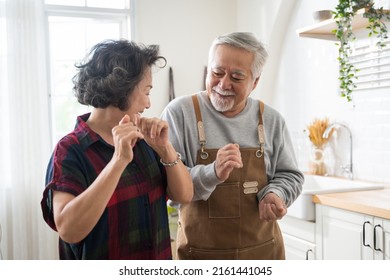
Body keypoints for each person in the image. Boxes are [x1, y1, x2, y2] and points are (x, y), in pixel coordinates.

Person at [41, 39, 193, 260]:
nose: (149, 104)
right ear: (122, 88)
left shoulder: (144, 140)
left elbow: (185, 195)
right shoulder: (70, 150)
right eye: (147, 91)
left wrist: (165, 148)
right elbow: (69, 230)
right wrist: (118, 161)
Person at [160, 32, 304, 260]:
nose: (223, 84)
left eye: (236, 77)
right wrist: (212, 172)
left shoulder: (271, 120)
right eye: (217, 73)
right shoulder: (179, 113)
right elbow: (169, 188)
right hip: (199, 256)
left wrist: (276, 194)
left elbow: (290, 175)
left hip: (263, 254)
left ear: (255, 81)